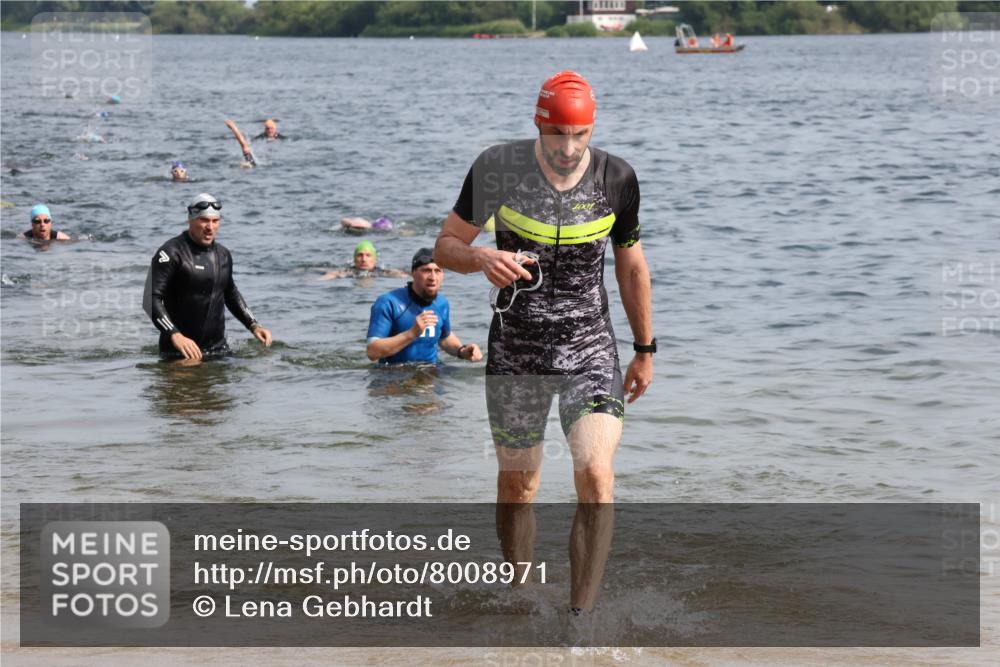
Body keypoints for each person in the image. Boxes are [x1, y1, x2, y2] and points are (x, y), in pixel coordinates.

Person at [434, 70, 653, 614]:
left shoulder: (617, 178)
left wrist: (645, 349)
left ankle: (580, 619)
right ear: (539, 125)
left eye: (580, 135)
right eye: (558, 134)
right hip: (517, 349)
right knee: (519, 484)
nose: (569, 147)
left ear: (593, 128)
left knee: (596, 473)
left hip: (590, 347)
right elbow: (444, 247)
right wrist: (481, 256)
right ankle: (521, 596)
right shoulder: (498, 169)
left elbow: (630, 267)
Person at [143, 193, 273, 362]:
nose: (210, 227)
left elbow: (230, 293)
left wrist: (253, 325)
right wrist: (174, 334)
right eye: (204, 220)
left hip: (218, 351)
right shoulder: (171, 252)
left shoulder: (223, 255)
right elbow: (150, 298)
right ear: (191, 220)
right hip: (180, 354)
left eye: (215, 221)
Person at [365, 248, 482, 365]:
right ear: (413, 273)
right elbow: (372, 351)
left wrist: (462, 351)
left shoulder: (441, 303)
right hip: (396, 373)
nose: (433, 277)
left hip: (432, 370)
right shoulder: (388, 302)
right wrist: (411, 334)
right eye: (426, 270)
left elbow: (445, 338)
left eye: (438, 271)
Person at [320, 240, 408, 280]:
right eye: (360, 255)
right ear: (354, 259)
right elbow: (331, 275)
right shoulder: (347, 272)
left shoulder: (383, 272)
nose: (364, 259)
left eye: (368, 255)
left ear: (375, 260)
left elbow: (404, 275)